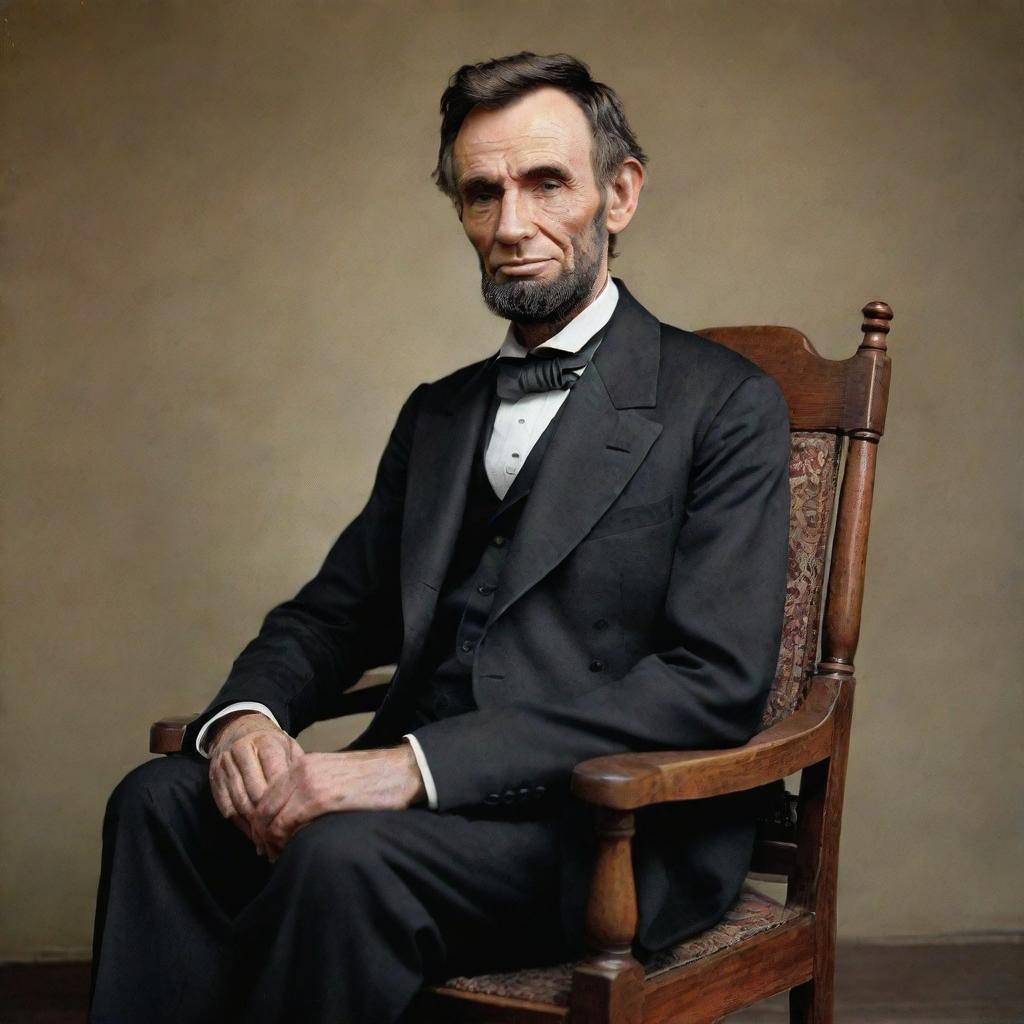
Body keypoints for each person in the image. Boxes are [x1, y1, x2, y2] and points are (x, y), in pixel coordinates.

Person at [90, 52, 791, 1024]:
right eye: (481, 194)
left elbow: (709, 684)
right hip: (425, 814)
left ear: (619, 194)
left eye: (546, 184)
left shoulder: (724, 404)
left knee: (342, 856)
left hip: (606, 829)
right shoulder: (439, 414)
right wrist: (248, 716)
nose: (511, 226)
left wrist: (411, 767)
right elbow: (335, 611)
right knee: (158, 800)